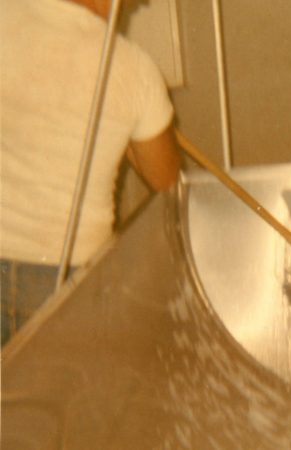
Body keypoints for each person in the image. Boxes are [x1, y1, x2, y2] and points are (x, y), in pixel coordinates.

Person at [0, 0, 181, 345]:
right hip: (64, 277)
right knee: (55, 399)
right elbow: (167, 182)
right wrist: (131, 135)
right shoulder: (134, 68)